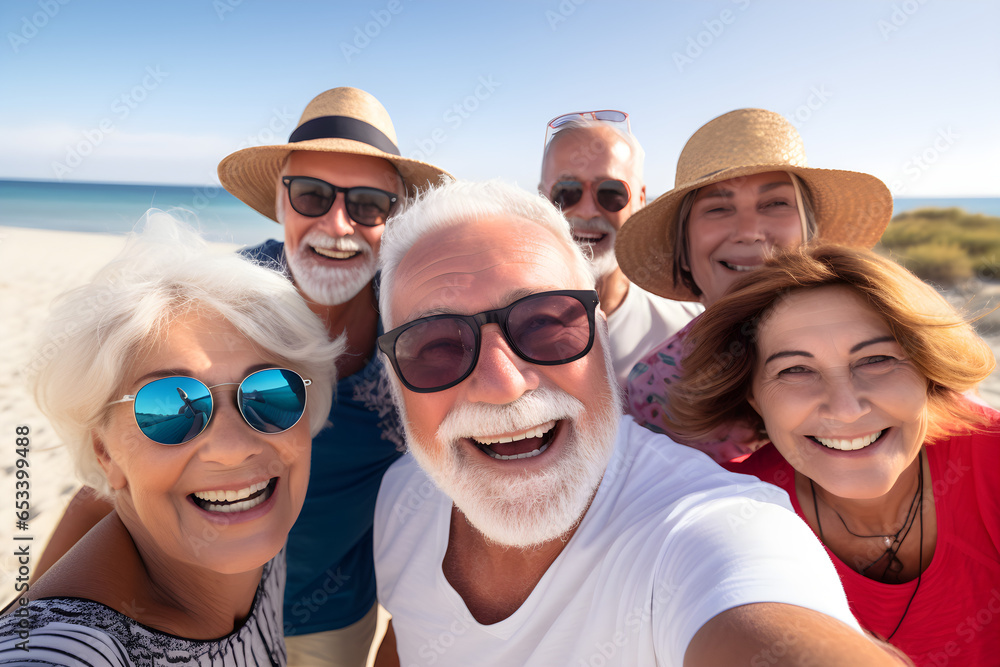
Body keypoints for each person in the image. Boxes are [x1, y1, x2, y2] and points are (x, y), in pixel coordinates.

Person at [369, 179, 909, 666]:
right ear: (393, 380)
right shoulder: (404, 500)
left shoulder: (710, 530)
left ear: (602, 340)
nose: (503, 383)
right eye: (435, 346)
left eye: (545, 325)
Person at [34, 87, 450, 666]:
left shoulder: (421, 334)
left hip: (336, 617)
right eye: (311, 195)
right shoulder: (223, 303)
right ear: (281, 201)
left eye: (367, 204)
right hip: (195, 612)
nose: (338, 224)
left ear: (394, 218)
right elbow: (122, 461)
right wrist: (34, 619)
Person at [0, 213, 340, 665]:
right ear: (106, 452)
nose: (234, 447)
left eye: (269, 394)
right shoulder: (75, 652)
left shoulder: (256, 522)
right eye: (168, 411)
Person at [662, 244, 999, 666]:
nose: (846, 408)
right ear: (752, 395)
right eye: (796, 370)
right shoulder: (730, 509)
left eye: (876, 359)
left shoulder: (992, 457)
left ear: (927, 370)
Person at [616, 107, 893, 461]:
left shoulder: (890, 338)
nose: (748, 231)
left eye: (776, 203)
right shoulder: (655, 387)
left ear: (813, 237)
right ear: (683, 251)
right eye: (717, 208)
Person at [539, 110, 701, 387]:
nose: (589, 211)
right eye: (567, 192)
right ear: (543, 199)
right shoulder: (495, 326)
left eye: (611, 192)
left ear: (639, 200)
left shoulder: (691, 330)